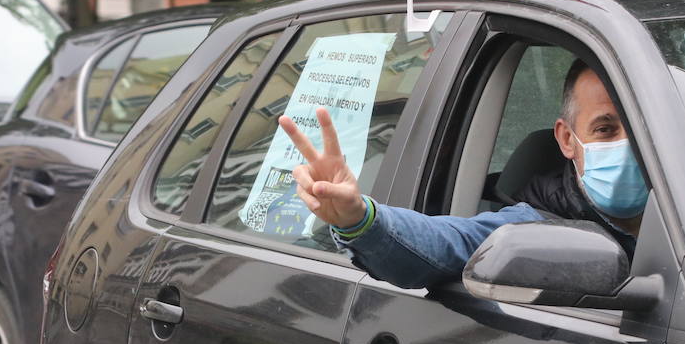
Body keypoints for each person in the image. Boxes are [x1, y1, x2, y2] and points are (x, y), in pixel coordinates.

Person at [277, 60, 648, 289]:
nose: (630, 146)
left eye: (642, 129)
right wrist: (361, 221)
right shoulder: (535, 224)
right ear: (567, 139)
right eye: (605, 130)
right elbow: (448, 242)